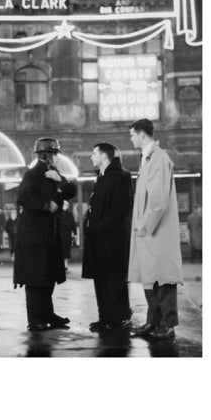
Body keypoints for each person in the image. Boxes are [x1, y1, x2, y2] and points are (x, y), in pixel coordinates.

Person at [13, 137, 77, 331]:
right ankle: (36, 319)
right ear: (47, 156)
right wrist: (45, 205)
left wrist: (61, 180)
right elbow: (22, 198)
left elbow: (71, 191)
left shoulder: (53, 173)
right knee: (35, 280)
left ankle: (48, 314)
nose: (58, 158)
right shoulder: (32, 175)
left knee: (47, 277)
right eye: (56, 154)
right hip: (34, 236)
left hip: (48, 236)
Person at [128, 119, 183, 340]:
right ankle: (153, 321)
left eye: (132, 134)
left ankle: (167, 324)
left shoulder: (158, 159)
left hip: (156, 231)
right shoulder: (148, 158)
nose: (131, 138)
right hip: (149, 233)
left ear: (142, 134)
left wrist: (144, 225)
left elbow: (158, 200)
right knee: (151, 277)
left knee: (163, 277)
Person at [82, 143, 133, 332]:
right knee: (101, 279)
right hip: (98, 239)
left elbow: (121, 209)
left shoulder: (121, 176)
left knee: (114, 280)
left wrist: (99, 227)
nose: (91, 157)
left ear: (104, 156)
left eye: (94, 153)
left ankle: (119, 318)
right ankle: (105, 317)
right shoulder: (101, 177)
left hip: (112, 240)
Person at [59, 200, 77, 271]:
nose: (65, 206)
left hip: (67, 235)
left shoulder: (69, 214)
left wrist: (75, 233)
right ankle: (62, 265)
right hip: (60, 235)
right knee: (61, 250)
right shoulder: (59, 214)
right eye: (64, 205)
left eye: (66, 205)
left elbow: (73, 224)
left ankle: (65, 264)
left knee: (66, 250)